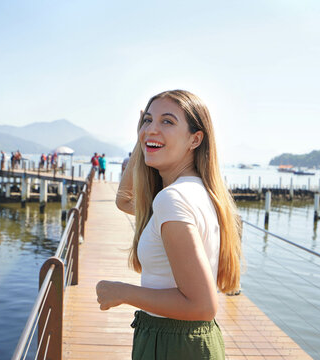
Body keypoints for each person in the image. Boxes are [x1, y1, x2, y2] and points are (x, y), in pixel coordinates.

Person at [96, 90, 242, 360]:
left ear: (195, 139)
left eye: (167, 122)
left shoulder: (172, 199)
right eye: (148, 120)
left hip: (173, 343)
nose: (152, 128)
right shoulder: (198, 192)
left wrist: (121, 292)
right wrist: (146, 138)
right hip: (186, 340)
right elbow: (124, 200)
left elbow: (202, 305)